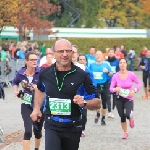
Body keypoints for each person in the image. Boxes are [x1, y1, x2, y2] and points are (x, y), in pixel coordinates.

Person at [30, 39, 100, 150]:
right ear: (53, 54)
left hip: (73, 126)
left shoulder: (82, 75)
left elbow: (97, 102)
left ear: (72, 53)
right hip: (52, 124)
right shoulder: (45, 73)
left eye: (68, 51)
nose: (64, 54)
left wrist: (84, 102)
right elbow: (40, 89)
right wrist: (37, 108)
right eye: (60, 51)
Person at [12, 52, 44, 150]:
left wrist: (35, 88)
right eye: (32, 60)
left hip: (39, 106)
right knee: (28, 131)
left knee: (37, 131)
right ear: (26, 61)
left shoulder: (41, 72)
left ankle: (36, 148)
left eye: (36, 60)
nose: (34, 62)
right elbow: (14, 82)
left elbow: (46, 88)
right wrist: (16, 92)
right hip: (26, 105)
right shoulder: (21, 73)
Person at [109, 58, 141, 139]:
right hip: (119, 98)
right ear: (119, 65)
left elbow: (139, 83)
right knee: (122, 116)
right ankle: (125, 132)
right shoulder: (115, 76)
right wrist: (115, 89)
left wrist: (134, 90)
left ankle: (131, 118)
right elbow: (111, 88)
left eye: (124, 63)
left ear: (126, 64)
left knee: (127, 114)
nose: (122, 64)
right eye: (121, 63)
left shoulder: (131, 74)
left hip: (129, 98)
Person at [89, 50, 113, 125]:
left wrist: (107, 72)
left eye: (100, 54)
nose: (98, 56)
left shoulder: (106, 65)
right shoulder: (92, 65)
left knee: (104, 103)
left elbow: (111, 74)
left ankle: (103, 118)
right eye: (97, 55)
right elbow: (88, 74)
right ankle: (98, 114)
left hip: (104, 85)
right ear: (95, 56)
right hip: (95, 86)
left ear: (102, 56)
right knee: (96, 102)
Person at [77, 53, 96, 137]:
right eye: (80, 59)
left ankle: (82, 130)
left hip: (85, 96)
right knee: (75, 113)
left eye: (83, 59)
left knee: (84, 114)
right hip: (75, 95)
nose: (82, 61)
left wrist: (90, 94)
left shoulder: (89, 72)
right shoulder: (74, 71)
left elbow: (93, 84)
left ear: (86, 61)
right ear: (78, 61)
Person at [106, 48, 119, 118]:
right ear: (108, 53)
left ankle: (113, 110)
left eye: (112, 52)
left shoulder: (117, 61)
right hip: (108, 81)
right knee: (108, 97)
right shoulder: (105, 62)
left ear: (114, 53)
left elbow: (119, 72)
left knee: (114, 97)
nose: (111, 53)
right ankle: (109, 111)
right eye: (109, 52)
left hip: (115, 82)